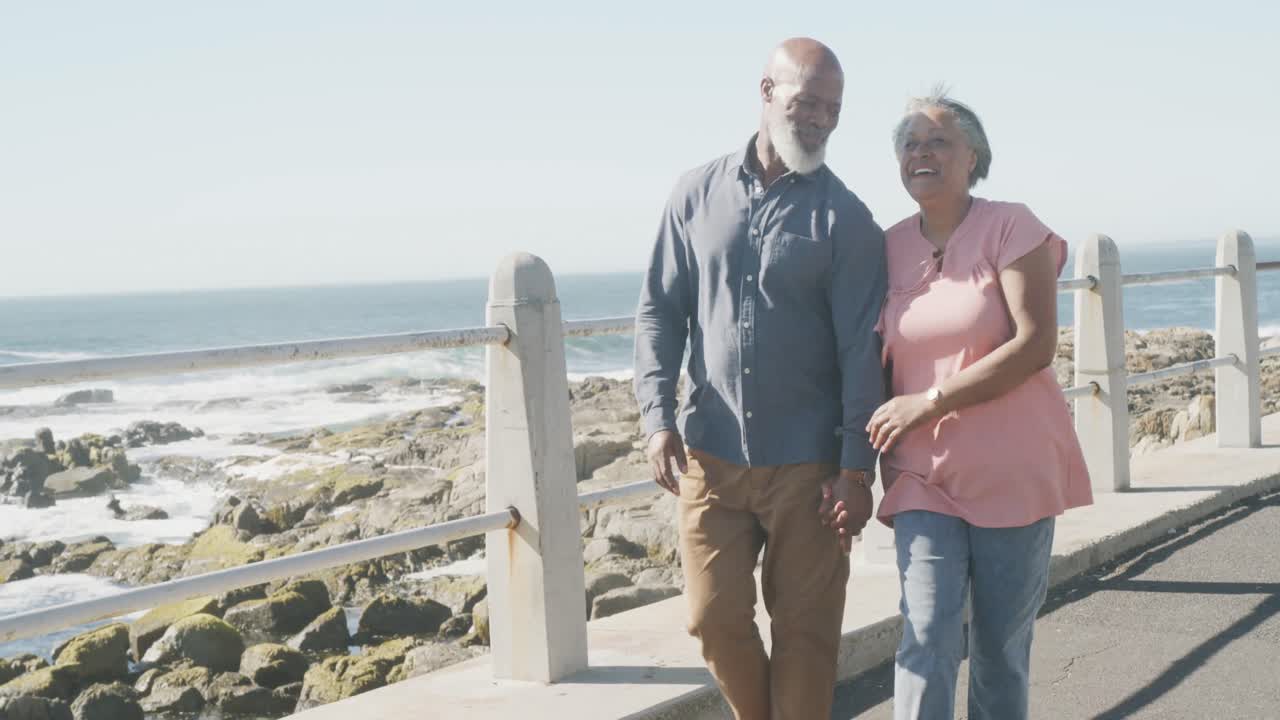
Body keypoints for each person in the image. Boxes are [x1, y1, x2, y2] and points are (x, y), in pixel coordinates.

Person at [633, 37, 887, 720]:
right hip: (710, 455)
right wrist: (656, 417)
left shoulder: (848, 220)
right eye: (807, 102)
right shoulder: (694, 195)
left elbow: (864, 354)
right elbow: (660, 312)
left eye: (833, 109)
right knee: (712, 620)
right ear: (767, 92)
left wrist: (856, 471)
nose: (820, 121)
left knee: (806, 639)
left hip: (810, 468)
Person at [860, 90, 1094, 720]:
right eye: (910, 142)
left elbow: (1035, 343)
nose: (921, 152)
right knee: (928, 633)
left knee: (998, 649)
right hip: (919, 476)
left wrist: (929, 402)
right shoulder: (880, 247)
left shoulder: (1012, 224)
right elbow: (858, 357)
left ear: (973, 158)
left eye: (938, 140)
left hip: (1012, 471)